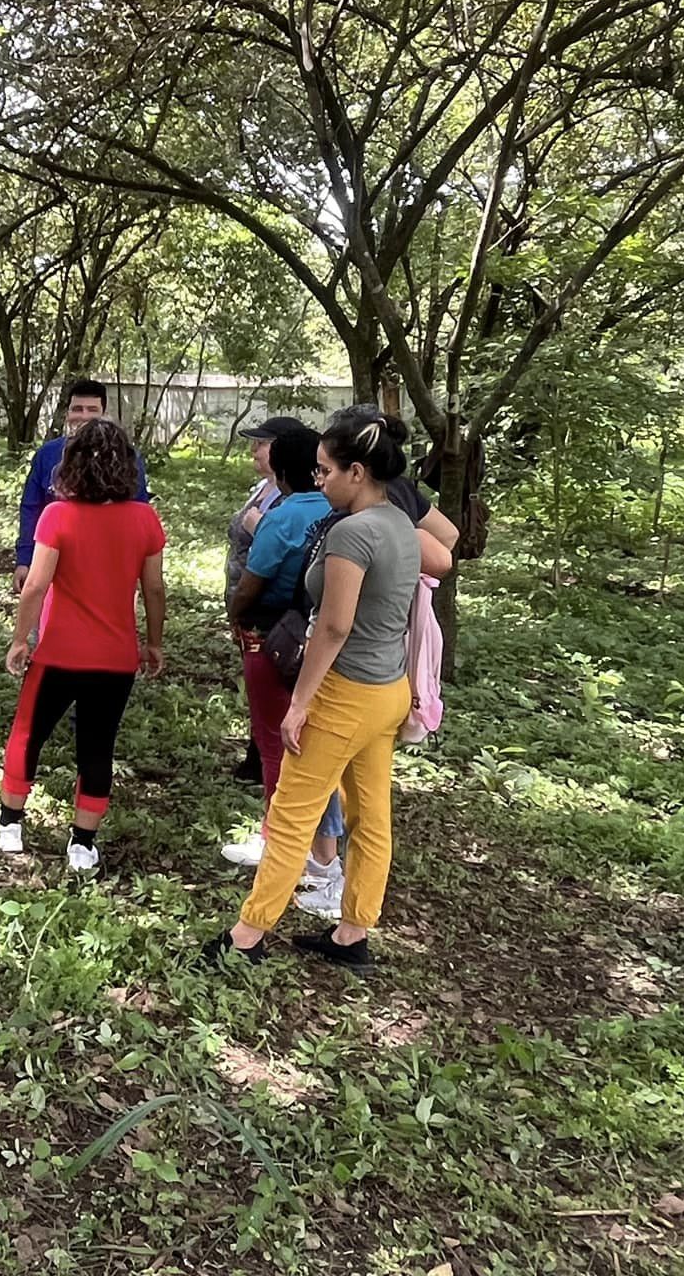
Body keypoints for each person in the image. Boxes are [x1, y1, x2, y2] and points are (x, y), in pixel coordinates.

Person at [204, 408, 421, 975]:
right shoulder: (401, 522)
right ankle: (353, 932)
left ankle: (247, 935)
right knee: (371, 817)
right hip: (387, 691)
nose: (317, 479)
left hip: (345, 695)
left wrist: (299, 702)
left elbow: (332, 626)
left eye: (325, 470)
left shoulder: (354, 533)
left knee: (293, 811)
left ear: (357, 471)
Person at [0, 420, 166, 872]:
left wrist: (19, 640)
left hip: (58, 653)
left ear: (70, 465)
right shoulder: (145, 518)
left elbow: (35, 586)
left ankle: (11, 824)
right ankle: (82, 844)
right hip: (115, 658)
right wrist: (153, 643)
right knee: (97, 746)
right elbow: (154, 589)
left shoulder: (58, 516)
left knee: (28, 732)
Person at [224, 427, 345, 909]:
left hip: (275, 642)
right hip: (322, 646)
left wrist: (237, 612)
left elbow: (253, 584)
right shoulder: (338, 512)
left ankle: (285, 849)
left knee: (277, 748)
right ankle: (320, 857)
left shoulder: (284, 517)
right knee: (318, 752)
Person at [222, 416, 311, 782]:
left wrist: (238, 612)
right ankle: (257, 757)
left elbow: (272, 557)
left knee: (278, 711)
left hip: (273, 622)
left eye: (262, 443)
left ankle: (275, 811)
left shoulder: (288, 508)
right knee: (267, 705)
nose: (254, 450)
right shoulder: (264, 489)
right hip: (260, 619)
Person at [15, 379, 149, 595]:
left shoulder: (127, 457)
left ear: (104, 414)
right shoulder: (47, 455)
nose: (84, 416)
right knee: (47, 626)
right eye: (77, 409)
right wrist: (24, 559)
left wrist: (139, 567)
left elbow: (139, 512)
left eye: (92, 410)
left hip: (110, 569)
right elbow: (31, 508)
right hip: (53, 566)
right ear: (67, 413)